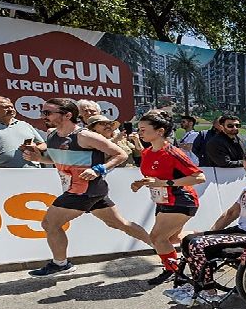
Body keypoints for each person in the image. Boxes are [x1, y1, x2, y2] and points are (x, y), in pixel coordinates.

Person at [21, 98, 153, 276]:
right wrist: (38, 159)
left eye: (48, 113)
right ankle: (161, 247)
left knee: (50, 223)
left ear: (67, 115)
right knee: (119, 223)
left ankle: (60, 264)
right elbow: (56, 159)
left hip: (83, 191)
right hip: (86, 191)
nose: (43, 116)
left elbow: (120, 154)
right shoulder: (52, 135)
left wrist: (99, 169)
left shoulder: (84, 136)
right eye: (43, 112)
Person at [164, 149, 246, 305]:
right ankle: (192, 285)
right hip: (243, 230)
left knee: (197, 244)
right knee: (189, 239)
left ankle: (208, 292)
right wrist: (210, 233)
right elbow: (233, 212)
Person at [130, 111, 206, 285]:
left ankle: (172, 271)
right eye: (139, 129)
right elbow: (154, 177)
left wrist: (165, 183)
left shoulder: (173, 152)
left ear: (160, 131)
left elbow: (199, 177)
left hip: (181, 199)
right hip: (163, 201)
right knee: (171, 239)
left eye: (143, 129)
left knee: (157, 237)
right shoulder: (148, 152)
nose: (140, 132)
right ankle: (205, 238)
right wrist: (141, 183)